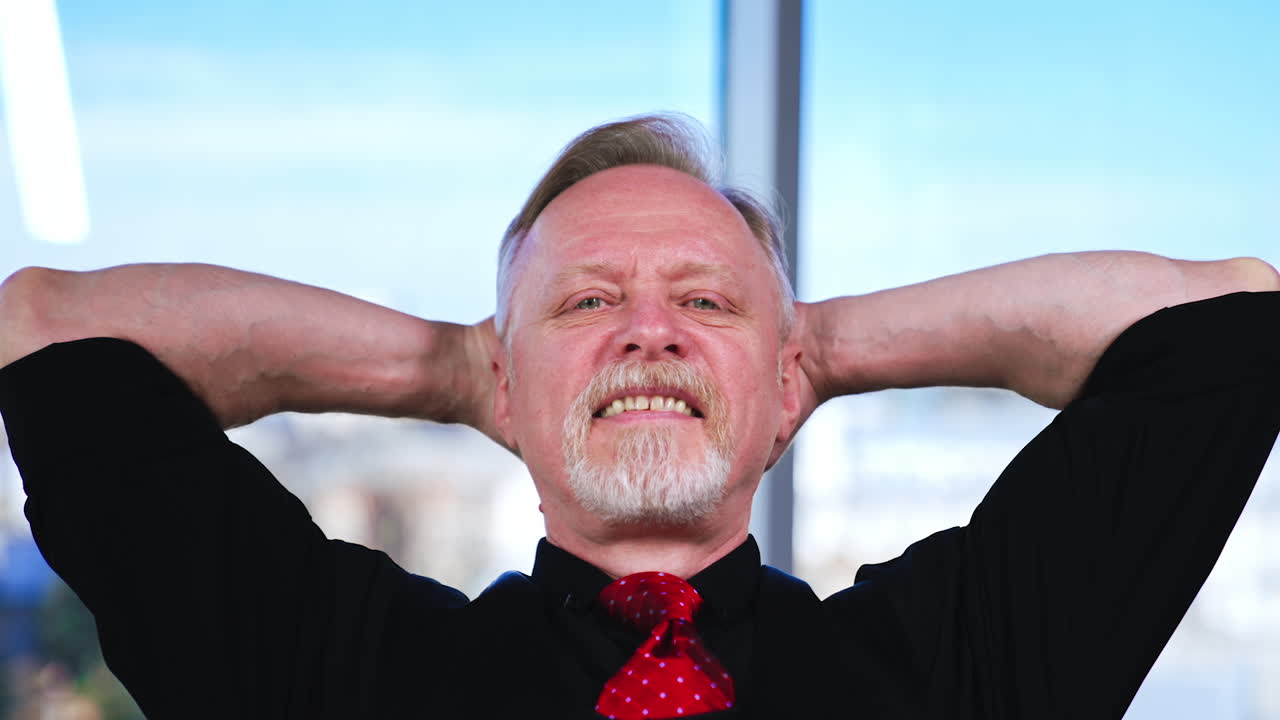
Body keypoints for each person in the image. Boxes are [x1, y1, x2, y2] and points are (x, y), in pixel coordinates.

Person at [0, 114, 1277, 719]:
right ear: (506, 385)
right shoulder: (339, 673)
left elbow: (1226, 319)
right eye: (589, 302)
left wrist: (812, 349)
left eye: (701, 301)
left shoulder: (955, 672)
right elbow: (48, 327)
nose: (647, 328)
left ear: (786, 387)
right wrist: (451, 367)